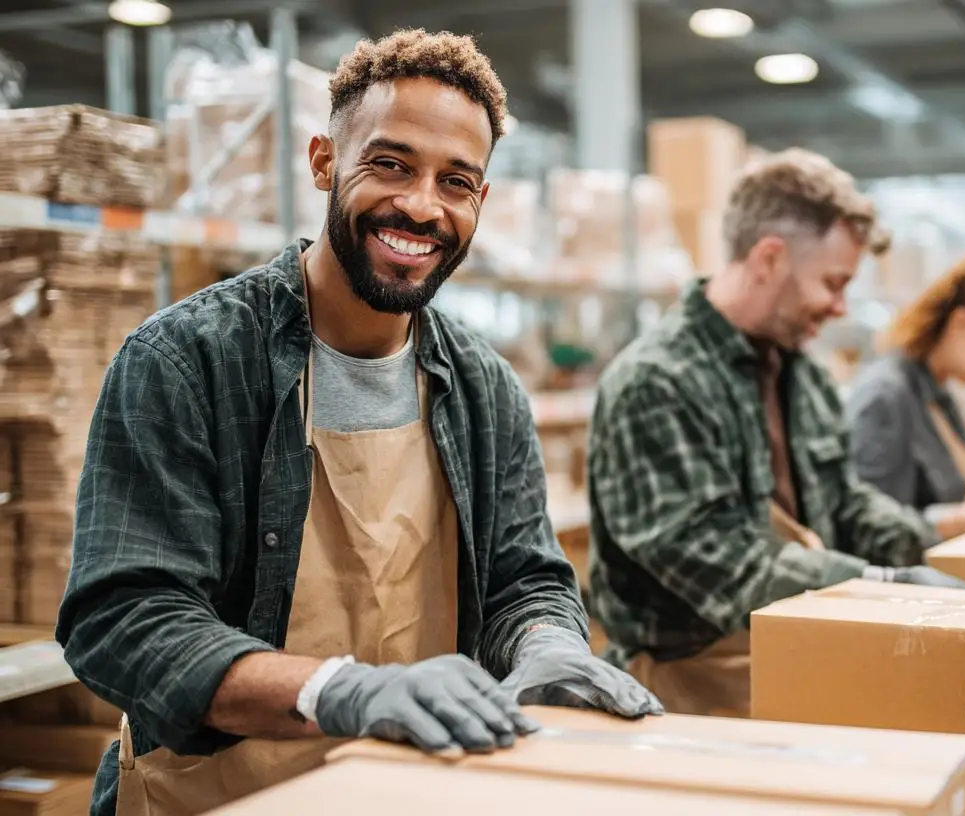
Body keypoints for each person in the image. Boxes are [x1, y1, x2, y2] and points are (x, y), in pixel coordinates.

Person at [57, 30, 659, 816]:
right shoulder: (187, 361)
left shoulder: (484, 389)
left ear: (479, 202)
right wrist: (339, 691)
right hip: (217, 797)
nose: (421, 206)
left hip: (413, 792)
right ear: (323, 162)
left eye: (455, 182)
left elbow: (523, 579)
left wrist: (547, 644)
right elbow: (125, 618)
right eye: (391, 165)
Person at [587, 149, 965, 718]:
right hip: (687, 690)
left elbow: (843, 503)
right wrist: (882, 580)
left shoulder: (802, 373)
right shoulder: (657, 383)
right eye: (833, 283)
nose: (839, 307)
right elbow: (724, 563)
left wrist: (937, 544)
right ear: (769, 258)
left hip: (800, 649)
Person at [844, 247, 965, 536]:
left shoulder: (938, 394)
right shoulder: (885, 398)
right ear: (961, 324)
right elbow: (871, 527)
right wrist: (958, 519)